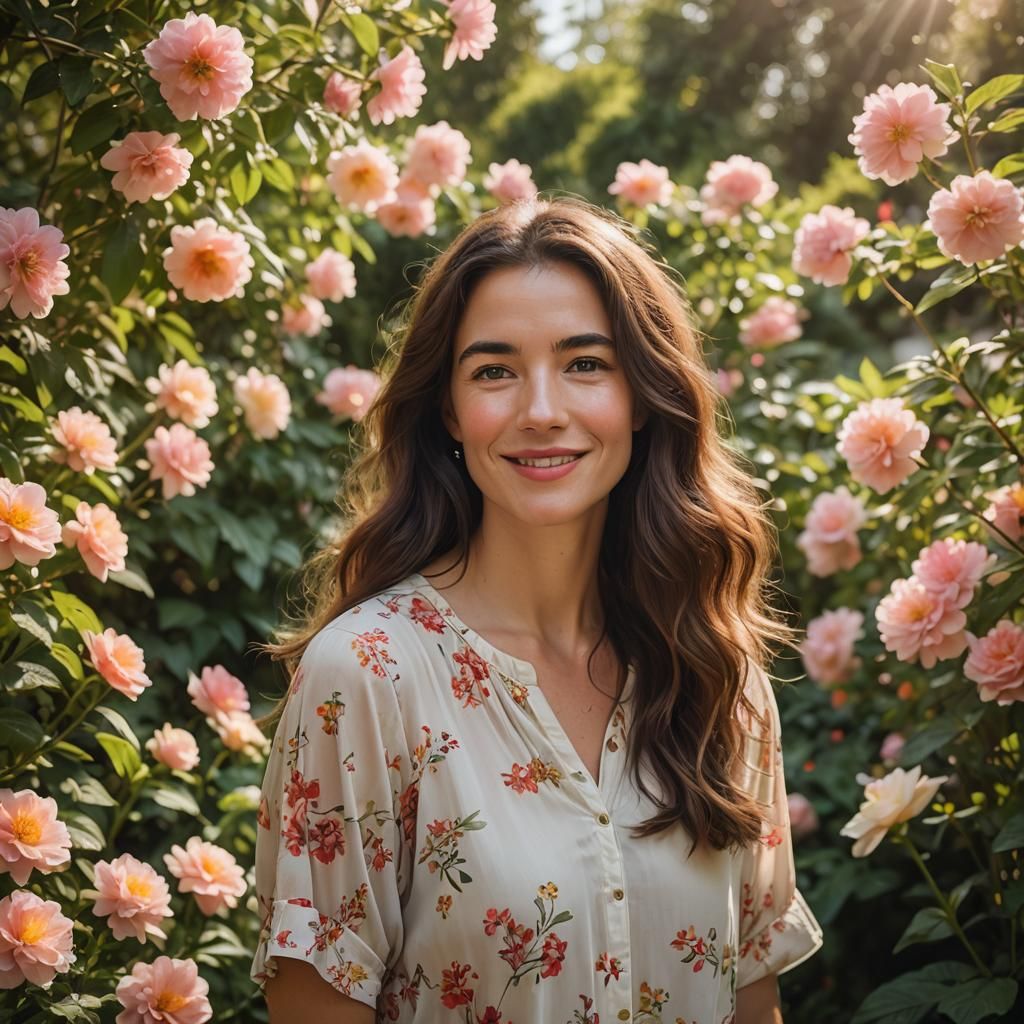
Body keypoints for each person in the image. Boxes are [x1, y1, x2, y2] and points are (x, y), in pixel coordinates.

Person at [251, 195, 823, 1024]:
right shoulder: (368, 679)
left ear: (642, 392)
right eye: (495, 370)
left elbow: (751, 1002)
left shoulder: (716, 677)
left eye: (586, 363)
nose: (542, 409)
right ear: (449, 408)